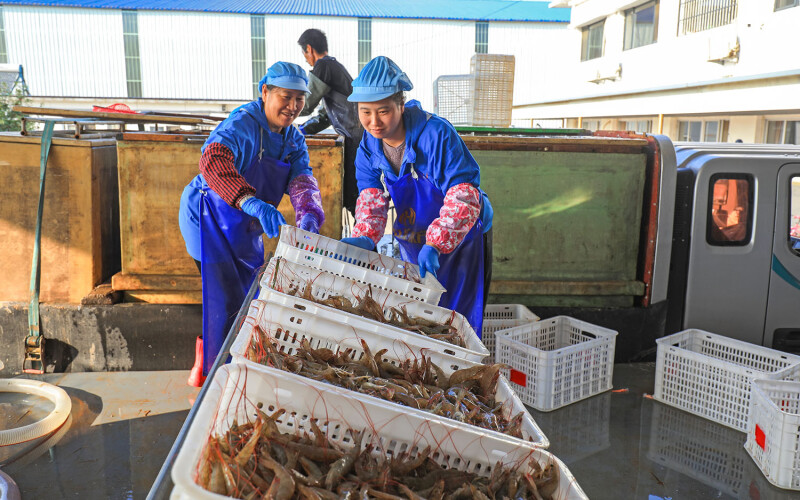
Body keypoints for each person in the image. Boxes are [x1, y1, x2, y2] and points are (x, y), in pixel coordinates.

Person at [178, 62, 324, 386]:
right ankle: (217, 378)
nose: (293, 106)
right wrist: (251, 201)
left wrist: (308, 212)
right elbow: (212, 159)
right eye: (286, 97)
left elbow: (302, 178)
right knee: (225, 297)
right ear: (265, 91)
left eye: (300, 99)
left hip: (245, 228)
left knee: (247, 296)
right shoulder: (244, 123)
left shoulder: (293, 139)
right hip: (209, 219)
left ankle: (215, 362)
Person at [341, 56, 493, 335]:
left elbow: (464, 195)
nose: (374, 122)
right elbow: (371, 196)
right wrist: (365, 234)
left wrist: (436, 243)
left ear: (401, 105)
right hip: (415, 238)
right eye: (365, 112)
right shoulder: (368, 146)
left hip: (462, 235)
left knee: (459, 318)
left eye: (384, 111)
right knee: (423, 316)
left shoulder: (436, 134)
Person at [297, 28, 364, 217]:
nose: (305, 58)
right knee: (352, 192)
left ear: (309, 49)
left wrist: (282, 108)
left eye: (304, 53)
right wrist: (301, 130)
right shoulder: (333, 66)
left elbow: (307, 104)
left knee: (353, 194)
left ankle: (365, 242)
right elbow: (325, 115)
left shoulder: (323, 66)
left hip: (354, 137)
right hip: (354, 135)